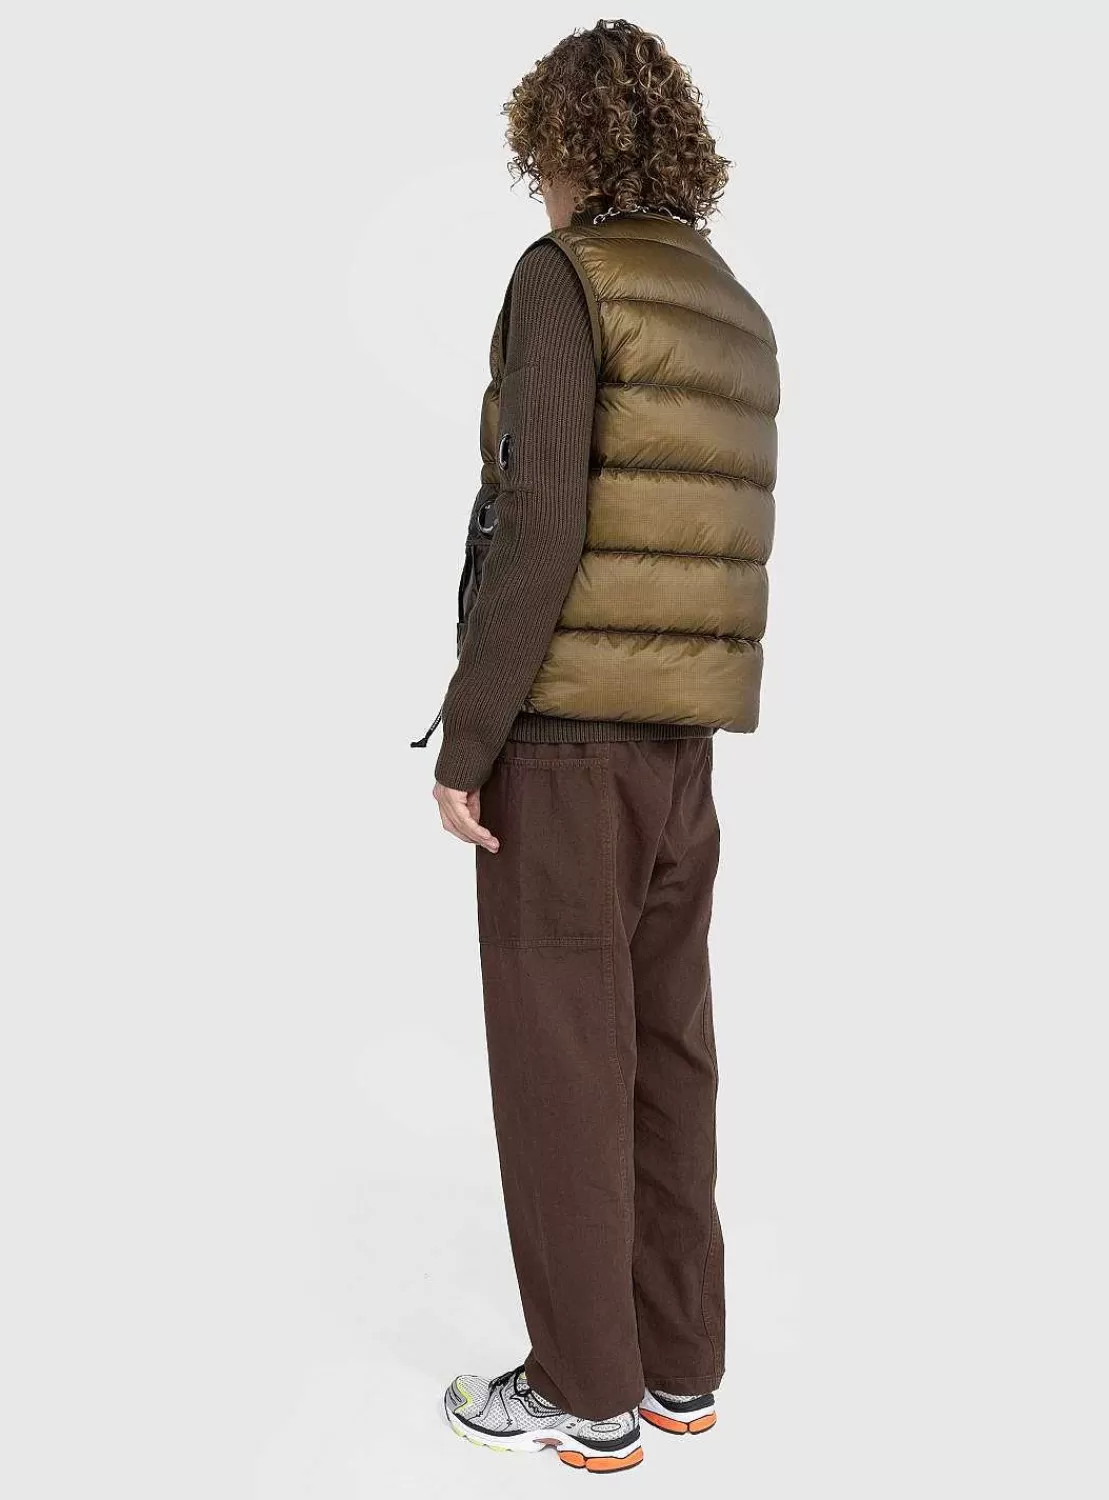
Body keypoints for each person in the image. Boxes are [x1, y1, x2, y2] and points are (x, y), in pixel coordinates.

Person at [415, 19, 779, 1476]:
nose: (541, 188)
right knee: (666, 1056)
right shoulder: (731, 306)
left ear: (561, 147)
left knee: (564, 1061)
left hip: (563, 750)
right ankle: (679, 1365)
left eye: (542, 160)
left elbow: (541, 517)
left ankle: (584, 1391)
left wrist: (469, 732)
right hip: (684, 755)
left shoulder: (564, 279)